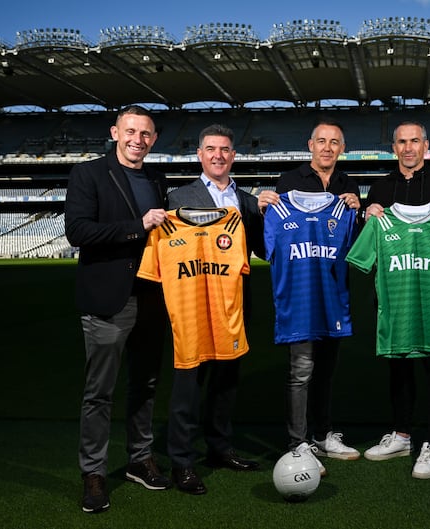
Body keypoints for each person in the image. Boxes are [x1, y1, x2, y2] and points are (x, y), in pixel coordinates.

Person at [65, 105, 171, 514]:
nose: (137, 140)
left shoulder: (157, 178)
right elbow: (77, 231)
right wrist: (136, 225)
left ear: (154, 138)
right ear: (115, 132)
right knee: (99, 392)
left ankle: (140, 459)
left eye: (145, 134)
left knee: (145, 384)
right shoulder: (88, 173)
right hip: (109, 297)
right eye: (130, 132)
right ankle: (93, 472)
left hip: (153, 296)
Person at [163, 124, 265, 494]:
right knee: (189, 385)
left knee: (227, 381)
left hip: (234, 302)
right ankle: (182, 461)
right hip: (193, 302)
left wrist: (274, 215)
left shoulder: (249, 202)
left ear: (233, 155)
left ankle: (220, 448)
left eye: (224, 149)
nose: (218, 155)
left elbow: (263, 251)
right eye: (211, 149)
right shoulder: (176, 198)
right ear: (199, 154)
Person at [258, 119, 362, 474]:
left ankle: (322, 434)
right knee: (301, 369)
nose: (328, 147)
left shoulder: (349, 186)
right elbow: (267, 246)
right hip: (301, 298)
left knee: (326, 371)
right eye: (322, 141)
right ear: (310, 145)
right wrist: (264, 209)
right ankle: (297, 443)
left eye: (335, 142)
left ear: (342, 148)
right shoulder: (288, 183)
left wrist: (357, 212)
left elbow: (357, 245)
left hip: (332, 295)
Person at [360, 121, 430, 479]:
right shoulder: (380, 187)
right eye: (401, 142)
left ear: (426, 145)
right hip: (395, 294)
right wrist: (365, 215)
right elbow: (367, 242)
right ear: (393, 147)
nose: (408, 148)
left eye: (414, 141)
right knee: (398, 365)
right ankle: (402, 434)